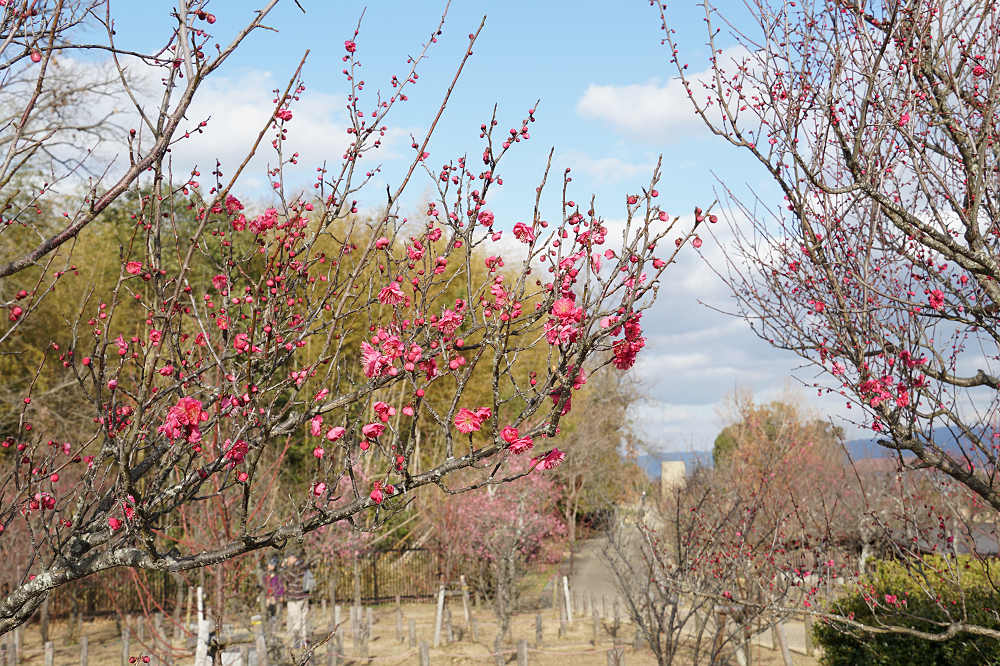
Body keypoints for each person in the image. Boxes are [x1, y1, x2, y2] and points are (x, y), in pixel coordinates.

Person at [283, 550, 312, 649]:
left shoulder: (295, 568)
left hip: (295, 598)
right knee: (303, 621)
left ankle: (296, 643)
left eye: (289, 558)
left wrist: (285, 567)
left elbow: (286, 577)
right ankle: (304, 643)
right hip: (304, 598)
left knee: (296, 622)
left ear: (294, 558)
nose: (288, 560)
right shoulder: (305, 566)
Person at [264, 556, 284, 632]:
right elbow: (264, 585)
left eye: (272, 565)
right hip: (268, 596)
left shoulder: (277, 575)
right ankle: (269, 629)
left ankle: (275, 629)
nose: (270, 566)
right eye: (269, 564)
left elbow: (280, 586)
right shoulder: (265, 575)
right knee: (268, 612)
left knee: (276, 613)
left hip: (275, 596)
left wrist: (280, 595)